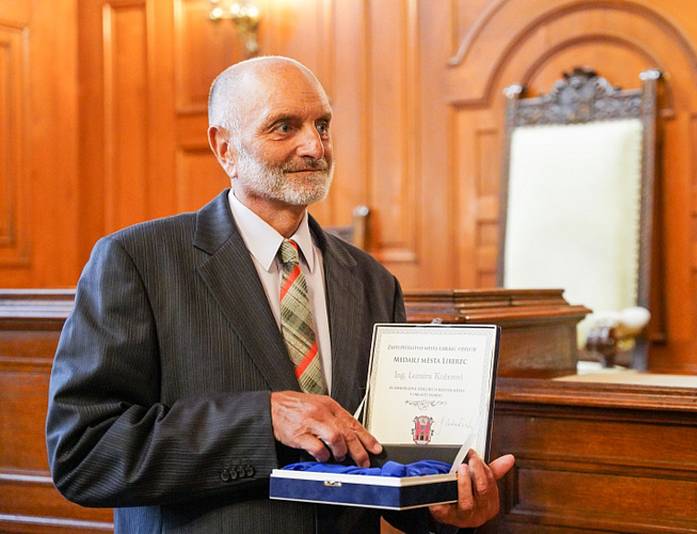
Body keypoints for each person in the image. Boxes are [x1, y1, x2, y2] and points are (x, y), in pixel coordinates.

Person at [45, 56, 515, 533]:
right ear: (224, 147)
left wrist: (444, 509)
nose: (314, 146)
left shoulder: (372, 282)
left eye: (323, 125)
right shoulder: (138, 261)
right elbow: (84, 453)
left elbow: (375, 461)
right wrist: (261, 420)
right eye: (285, 127)